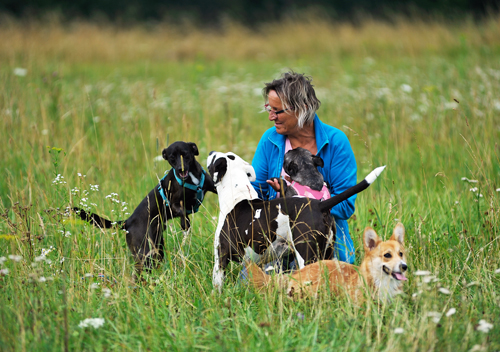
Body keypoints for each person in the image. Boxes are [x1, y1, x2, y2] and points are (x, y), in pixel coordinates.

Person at [251, 71, 358, 265]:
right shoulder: (269, 141)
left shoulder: (336, 142)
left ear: (303, 108)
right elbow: (254, 194)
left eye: (277, 110)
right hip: (275, 234)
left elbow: (345, 206)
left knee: (327, 280)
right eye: (269, 108)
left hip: (322, 231)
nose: (271, 117)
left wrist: (294, 200)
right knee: (252, 282)